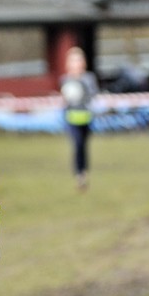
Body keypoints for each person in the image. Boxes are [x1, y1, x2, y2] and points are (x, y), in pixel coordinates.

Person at [59, 46, 99, 191]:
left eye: (78, 60)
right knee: (76, 145)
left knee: (83, 146)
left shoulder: (89, 79)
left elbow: (93, 96)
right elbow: (64, 101)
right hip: (71, 119)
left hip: (86, 119)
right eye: (73, 60)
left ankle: (84, 172)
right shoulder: (64, 80)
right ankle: (79, 175)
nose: (76, 63)